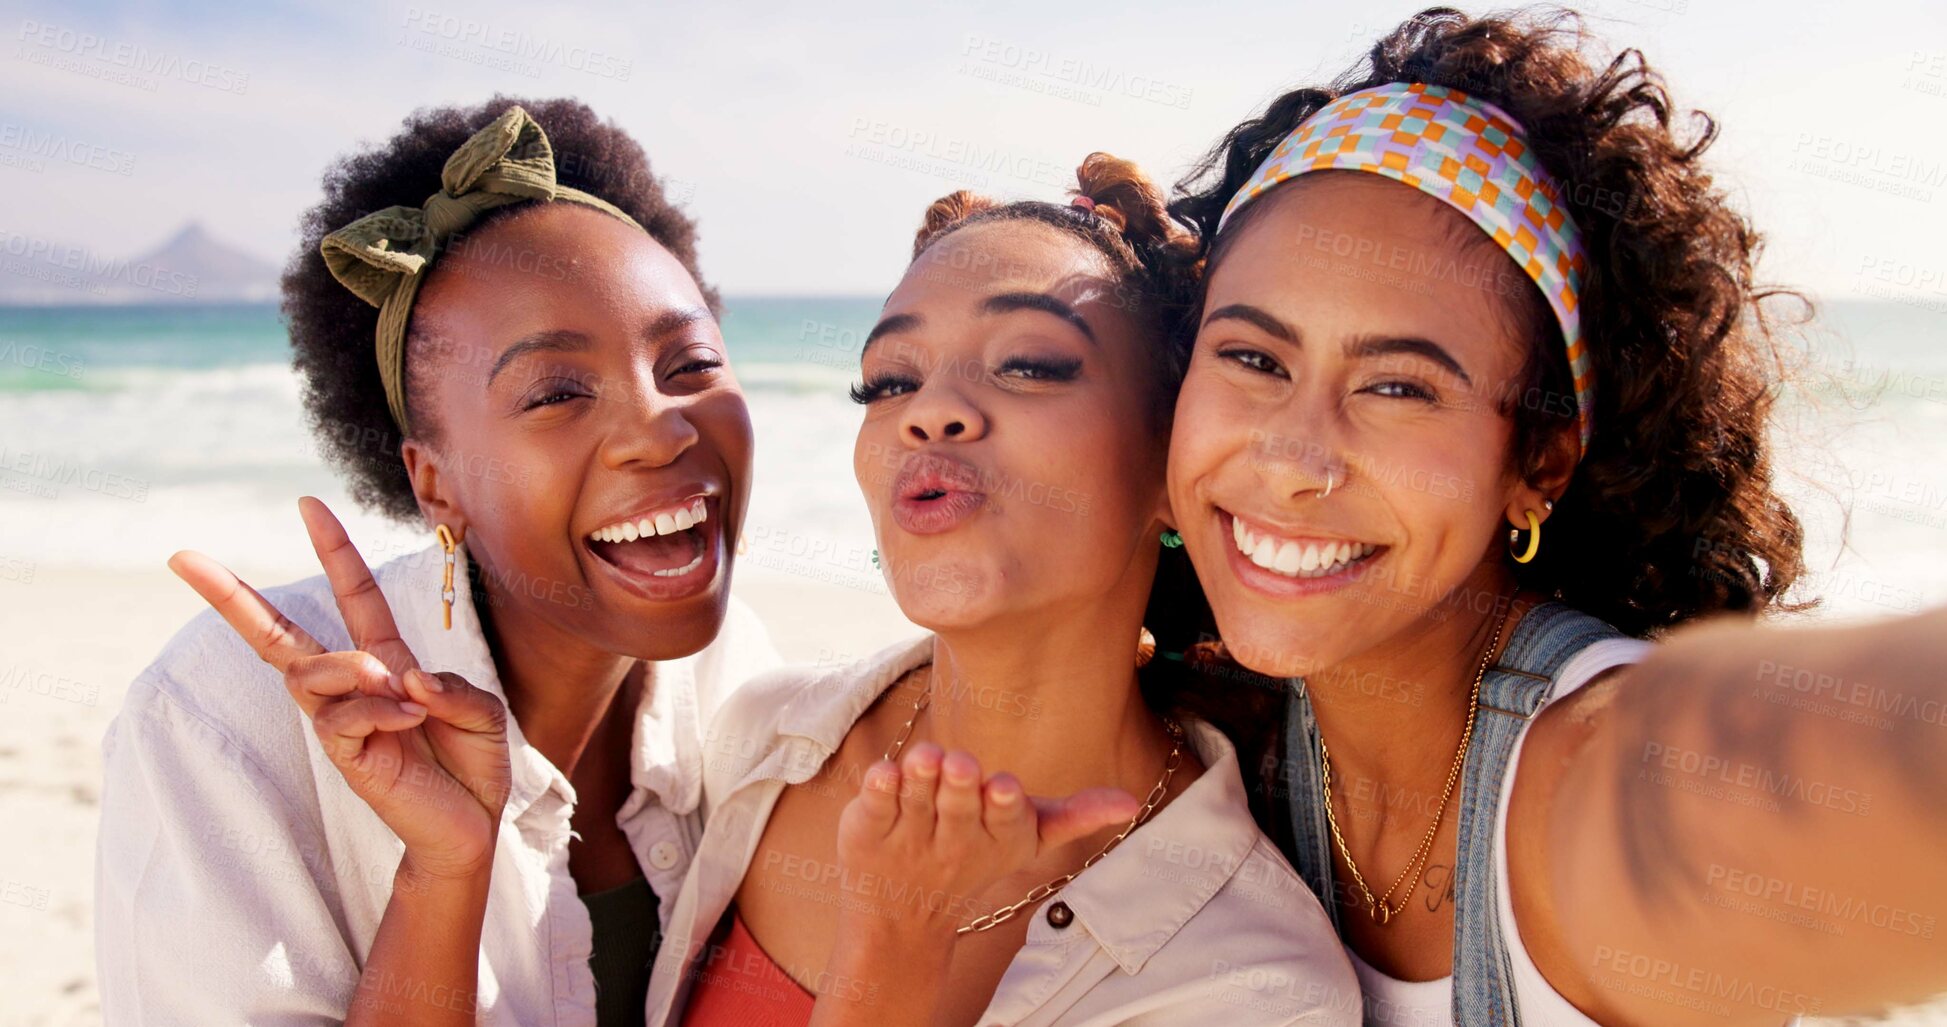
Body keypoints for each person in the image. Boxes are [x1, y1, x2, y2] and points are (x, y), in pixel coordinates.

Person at [1163, 8, 1947, 1024]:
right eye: (1255, 359)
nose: (1293, 457)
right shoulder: (1228, 750)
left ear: (1540, 458)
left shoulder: (1599, 774)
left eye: (1399, 387)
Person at [95, 97, 778, 1025]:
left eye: (689, 363)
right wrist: (444, 869)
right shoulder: (224, 719)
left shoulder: (747, 685)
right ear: (435, 483)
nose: (660, 431)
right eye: (557, 392)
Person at [647, 156, 1358, 1025]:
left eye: (1026, 364)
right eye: (889, 380)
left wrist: (896, 942)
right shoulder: (762, 740)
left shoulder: (1253, 983)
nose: (929, 408)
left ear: (1175, 466)